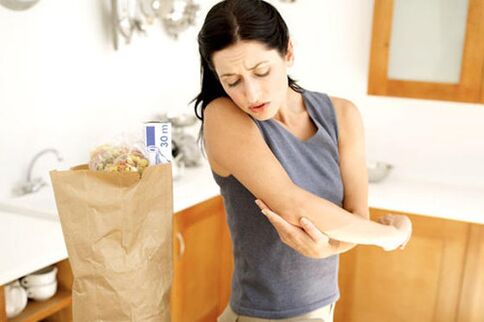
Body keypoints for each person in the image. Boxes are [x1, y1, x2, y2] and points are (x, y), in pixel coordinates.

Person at [193, 0, 412, 321]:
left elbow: (356, 217)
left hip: (324, 309)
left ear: (288, 53)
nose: (251, 95)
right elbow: (293, 205)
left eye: (261, 72)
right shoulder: (224, 117)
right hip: (259, 315)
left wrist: (328, 248)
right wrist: (393, 236)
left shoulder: (342, 115)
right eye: (232, 81)